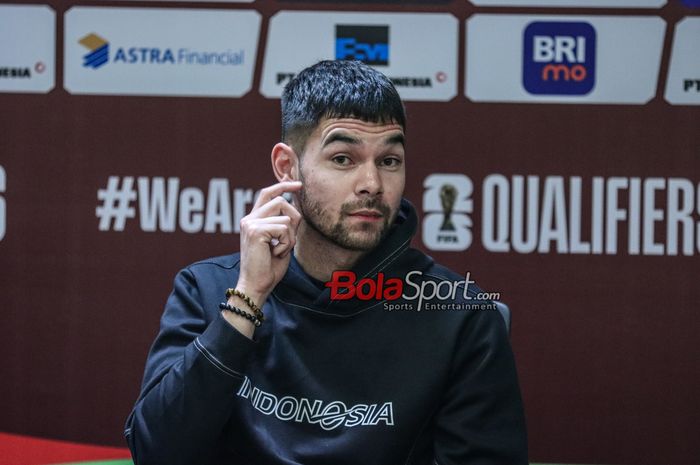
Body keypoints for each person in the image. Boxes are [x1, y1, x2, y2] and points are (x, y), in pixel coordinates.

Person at [125, 60, 528, 465]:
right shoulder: (208, 289)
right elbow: (157, 452)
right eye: (343, 159)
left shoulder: (460, 316)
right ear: (287, 166)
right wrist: (248, 299)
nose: (371, 183)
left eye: (389, 161)